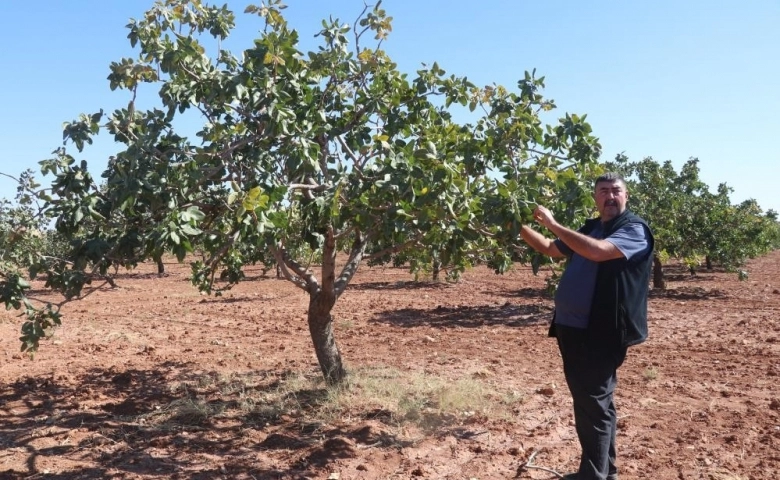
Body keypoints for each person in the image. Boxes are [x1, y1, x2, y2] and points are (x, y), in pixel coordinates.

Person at [519, 172, 654, 480]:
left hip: (602, 332)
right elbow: (549, 249)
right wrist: (515, 221)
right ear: (595, 198)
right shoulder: (592, 227)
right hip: (573, 328)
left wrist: (552, 222)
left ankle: (593, 476)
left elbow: (598, 252)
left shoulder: (634, 229)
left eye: (616, 190)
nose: (610, 196)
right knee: (593, 404)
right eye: (603, 191)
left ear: (626, 195)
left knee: (593, 404)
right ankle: (605, 472)